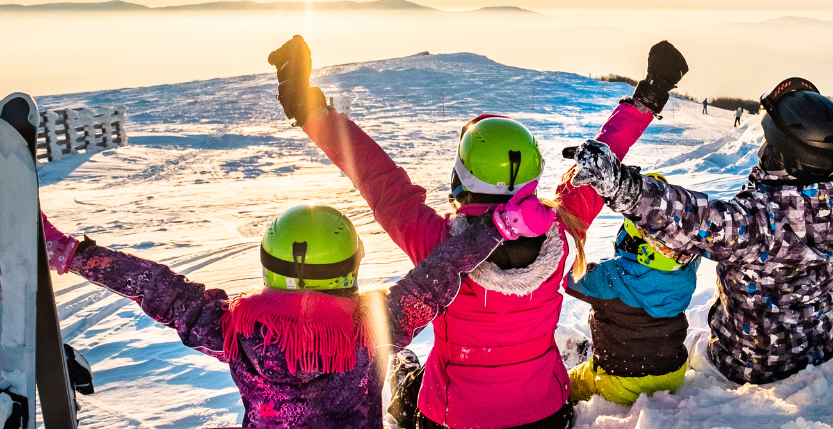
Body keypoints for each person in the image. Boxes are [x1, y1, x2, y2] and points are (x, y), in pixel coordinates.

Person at [267, 35, 688, 428]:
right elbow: (601, 161)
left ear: (462, 178)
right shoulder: (561, 230)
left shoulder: (437, 245)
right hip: (545, 414)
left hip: (453, 418)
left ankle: (403, 377)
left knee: (408, 383)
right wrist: (648, 95)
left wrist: (309, 110)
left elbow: (378, 178)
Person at [568, 44, 833, 385]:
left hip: (744, 367)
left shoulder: (758, 221)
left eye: (769, 142)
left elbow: (684, 216)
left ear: (782, 155)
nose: (761, 149)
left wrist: (617, 182)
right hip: (820, 352)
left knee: (684, 350)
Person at [39, 199, 553, 429]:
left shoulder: (234, 327)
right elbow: (438, 274)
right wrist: (499, 227)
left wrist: (75, 256)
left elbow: (161, 290)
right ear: (350, 268)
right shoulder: (374, 326)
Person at [564, 172, 700, 406]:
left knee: (569, 384)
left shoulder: (610, 278)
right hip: (673, 373)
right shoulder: (685, 272)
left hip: (620, 383)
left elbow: (565, 276)